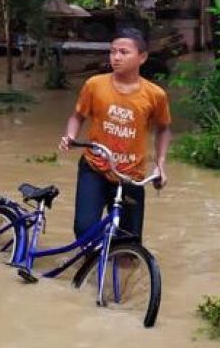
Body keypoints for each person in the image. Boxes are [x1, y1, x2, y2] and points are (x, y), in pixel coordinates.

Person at [57, 28, 172, 242]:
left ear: (142, 57)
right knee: (84, 230)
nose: (116, 57)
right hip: (95, 167)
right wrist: (70, 136)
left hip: (131, 175)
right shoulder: (95, 85)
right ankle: (94, 268)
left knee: (128, 244)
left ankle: (117, 262)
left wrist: (161, 165)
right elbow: (77, 116)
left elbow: (163, 129)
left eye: (123, 52)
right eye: (112, 51)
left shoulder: (155, 95)